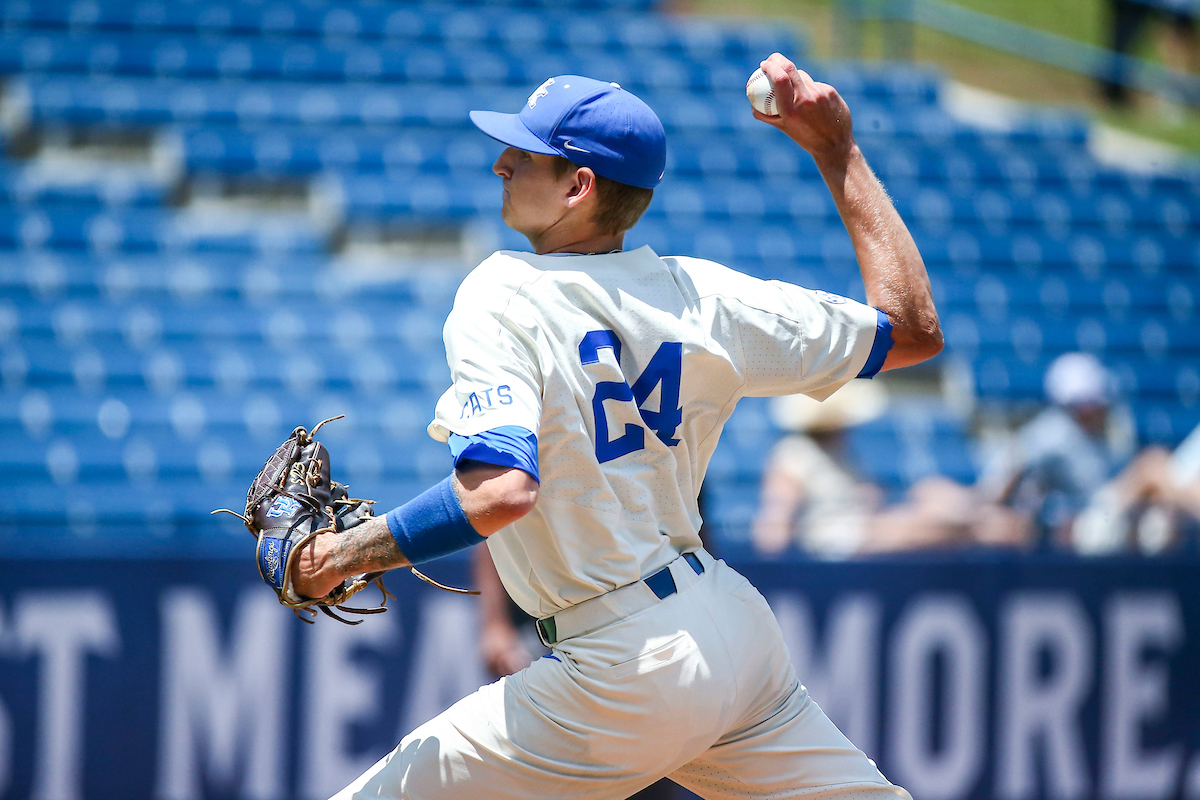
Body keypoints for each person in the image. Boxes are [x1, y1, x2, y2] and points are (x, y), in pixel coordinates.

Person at [287, 53, 942, 799]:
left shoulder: (505, 292)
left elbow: (496, 494)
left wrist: (338, 554)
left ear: (578, 185)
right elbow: (912, 330)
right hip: (731, 631)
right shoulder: (702, 297)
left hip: (623, 666)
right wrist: (837, 150)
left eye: (524, 155)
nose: (501, 163)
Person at [989, 352, 1136, 549]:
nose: (1091, 409)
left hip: (1108, 512)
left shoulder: (1109, 429)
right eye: (1083, 403)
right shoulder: (1055, 430)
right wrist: (996, 505)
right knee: (1153, 467)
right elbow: (1013, 462)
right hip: (1089, 517)